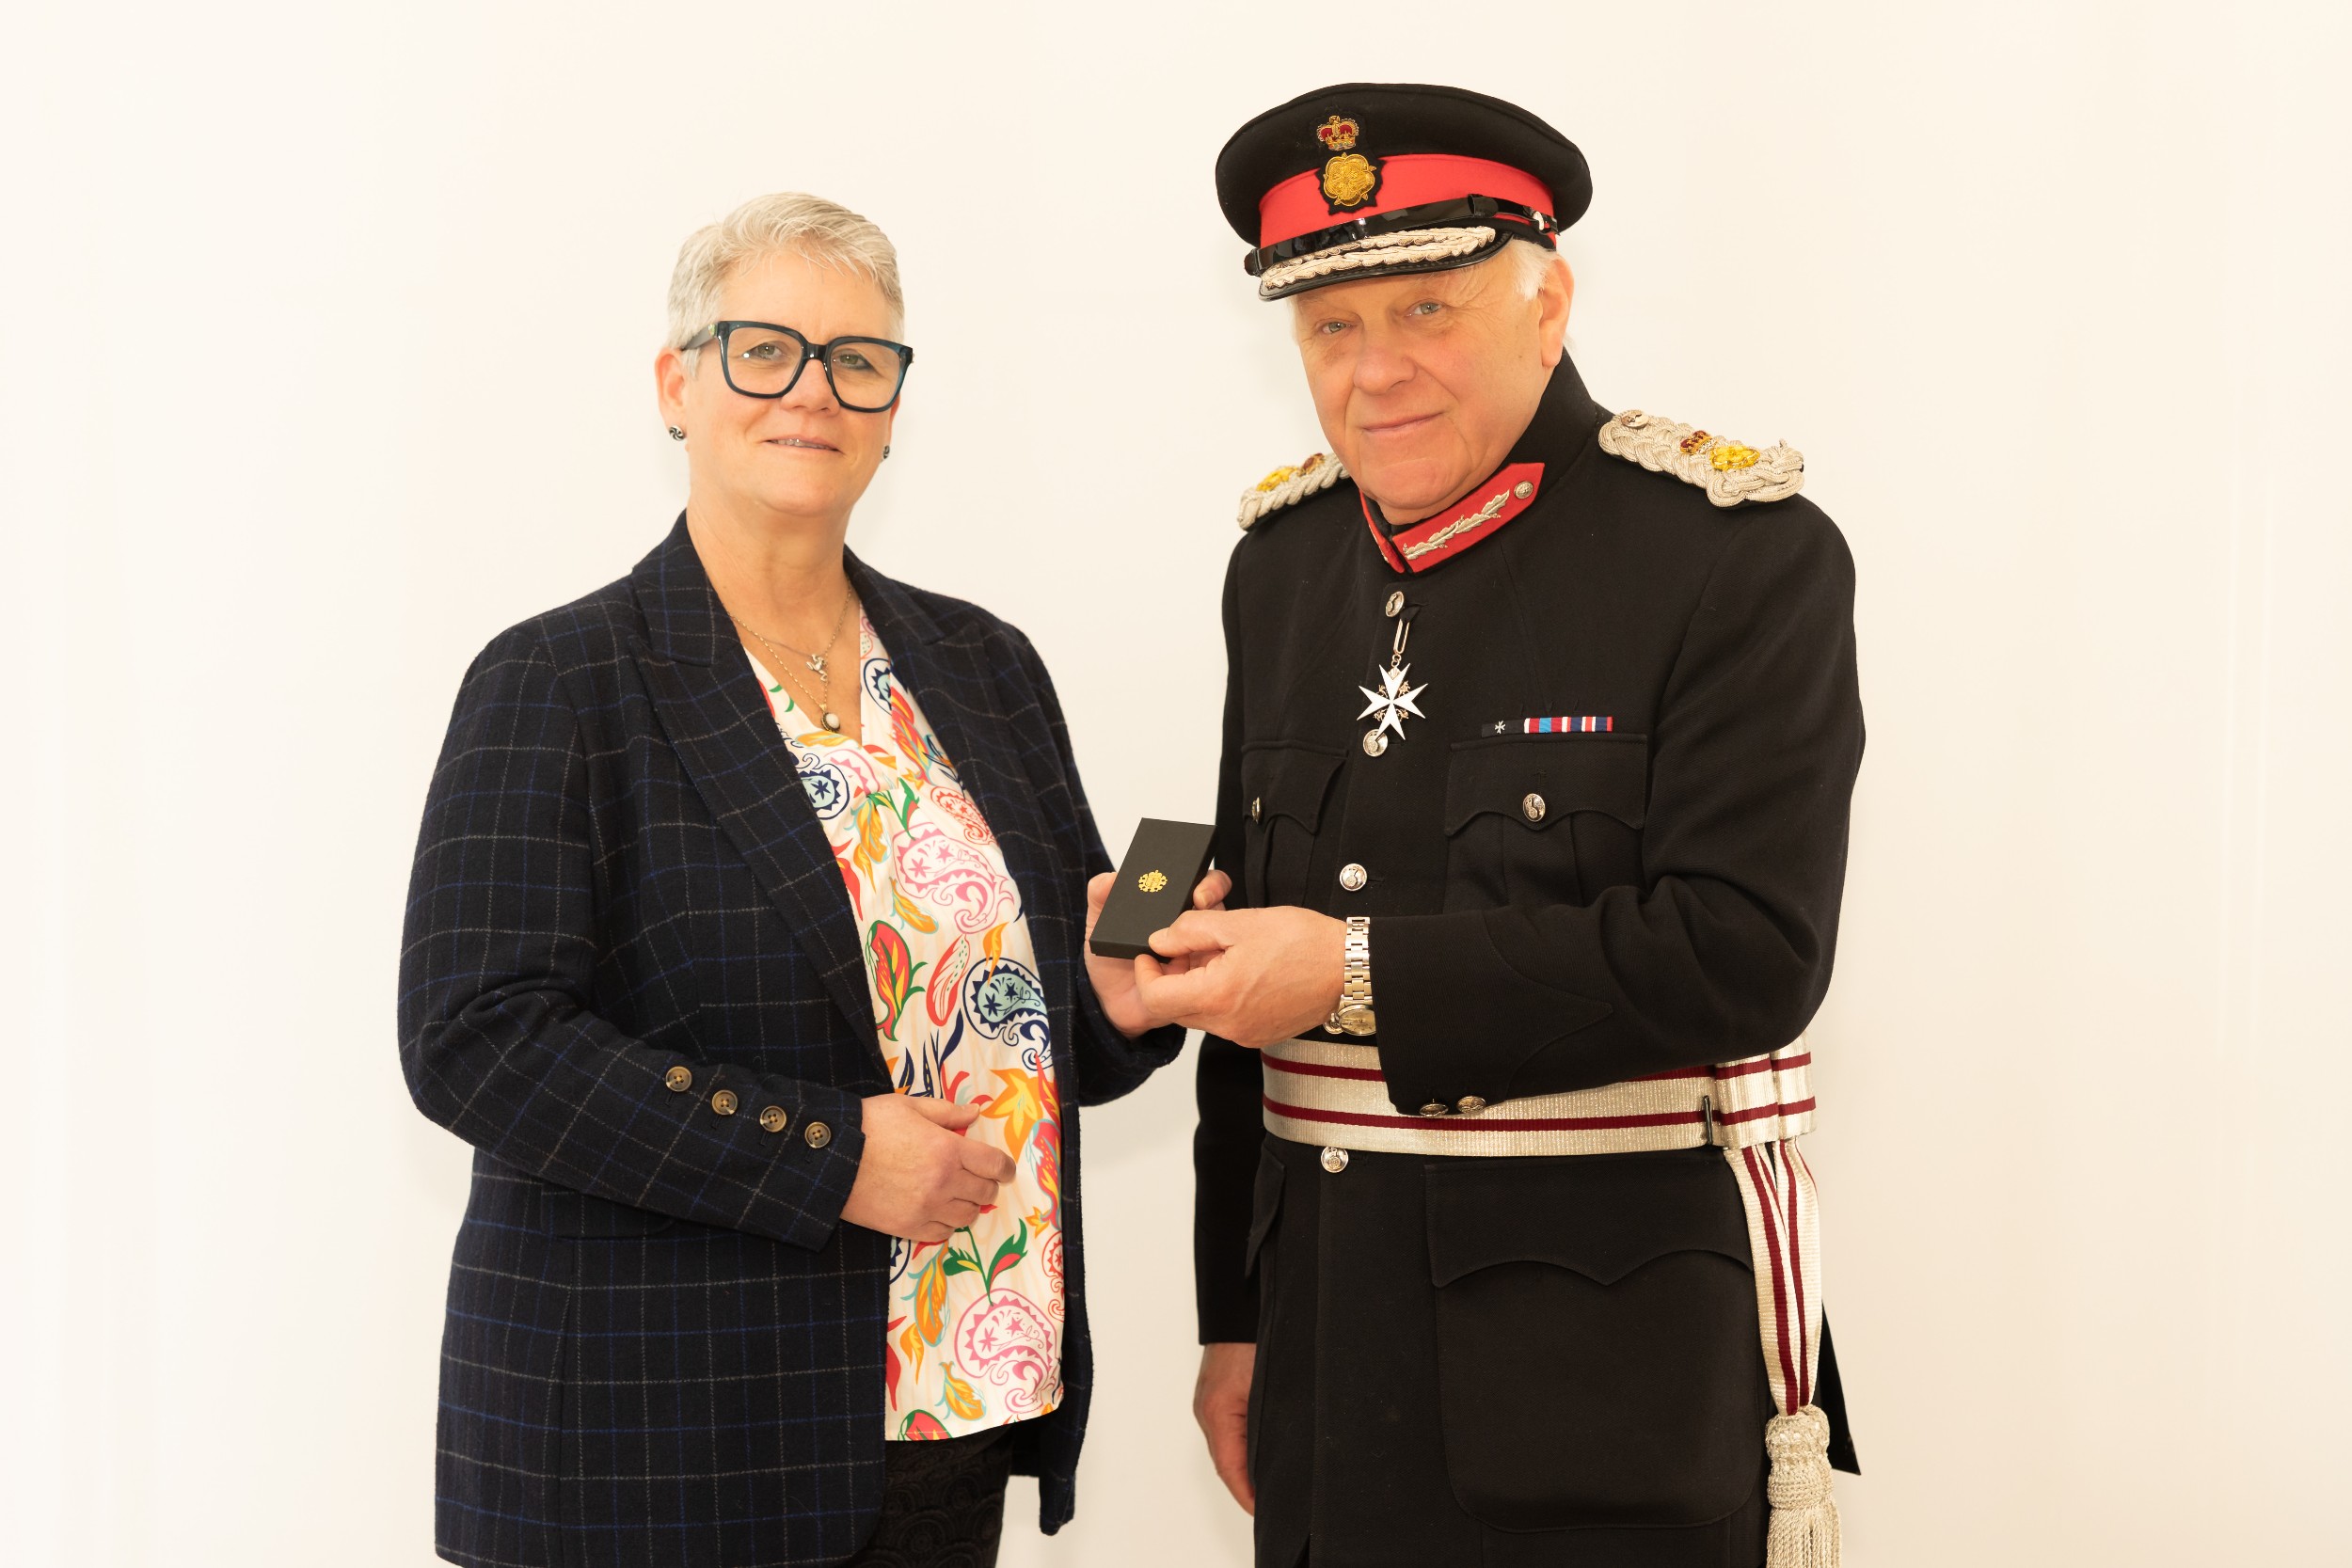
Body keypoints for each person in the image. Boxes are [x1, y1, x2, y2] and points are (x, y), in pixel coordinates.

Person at [398, 191, 1221, 1568]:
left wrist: (1122, 1005)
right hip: (655, 1446)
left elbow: (1027, 1029)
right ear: (678, 382)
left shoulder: (985, 667)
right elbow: (475, 1045)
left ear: (896, 404)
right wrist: (828, 1155)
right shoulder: (557, 680)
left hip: (946, 1407)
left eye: (858, 360)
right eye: (762, 349)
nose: (813, 391)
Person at [1132, 86, 1866, 1567]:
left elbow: (1747, 954)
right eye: (1331, 326)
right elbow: (1250, 1007)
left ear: (1549, 305)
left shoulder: (1736, 555)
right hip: (1327, 1375)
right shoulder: (1279, 571)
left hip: (1594, 1396)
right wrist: (1238, 1315)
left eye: (1427, 309)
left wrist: (1348, 974)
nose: (1375, 370)